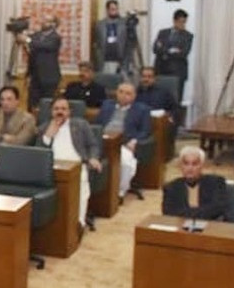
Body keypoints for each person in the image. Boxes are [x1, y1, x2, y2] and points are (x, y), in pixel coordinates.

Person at [38, 97, 98, 228]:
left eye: (63, 109)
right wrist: (48, 136)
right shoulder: (44, 128)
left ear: (69, 111)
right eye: (56, 109)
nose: (60, 112)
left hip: (77, 166)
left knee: (82, 187)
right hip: (53, 167)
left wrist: (93, 158)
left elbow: (93, 145)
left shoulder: (81, 125)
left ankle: (79, 223)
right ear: (51, 111)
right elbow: (39, 153)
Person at [93, 82, 151, 198]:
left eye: (128, 93)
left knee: (126, 164)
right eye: (120, 92)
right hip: (103, 141)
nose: (123, 95)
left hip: (124, 143)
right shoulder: (107, 105)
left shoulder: (142, 109)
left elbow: (145, 131)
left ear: (134, 96)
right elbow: (97, 125)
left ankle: (119, 192)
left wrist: (134, 141)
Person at [162, 145, 230, 221]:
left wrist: (187, 214)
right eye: (186, 164)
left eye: (194, 164)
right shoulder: (171, 187)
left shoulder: (216, 182)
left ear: (202, 166)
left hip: (210, 226)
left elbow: (218, 208)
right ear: (180, 166)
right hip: (181, 227)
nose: (190, 168)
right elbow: (168, 212)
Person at [152, 10, 193, 113]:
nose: (183, 24)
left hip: (178, 72)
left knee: (175, 101)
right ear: (174, 21)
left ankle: (175, 125)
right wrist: (172, 50)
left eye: (184, 22)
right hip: (161, 70)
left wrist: (165, 51)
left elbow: (183, 53)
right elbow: (156, 49)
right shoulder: (162, 33)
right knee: (159, 99)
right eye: (181, 22)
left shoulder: (188, 36)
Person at [26, 17, 61, 107]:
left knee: (47, 104)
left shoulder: (55, 37)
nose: (43, 22)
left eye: (47, 21)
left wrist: (27, 40)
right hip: (35, 76)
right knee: (32, 104)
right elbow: (31, 50)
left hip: (49, 77)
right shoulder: (36, 35)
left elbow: (44, 46)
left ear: (53, 24)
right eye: (43, 20)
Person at [94, 0, 129, 77]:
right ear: (107, 10)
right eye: (112, 9)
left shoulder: (124, 23)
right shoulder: (100, 24)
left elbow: (128, 43)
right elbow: (97, 42)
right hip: (104, 59)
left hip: (120, 59)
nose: (115, 11)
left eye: (116, 9)